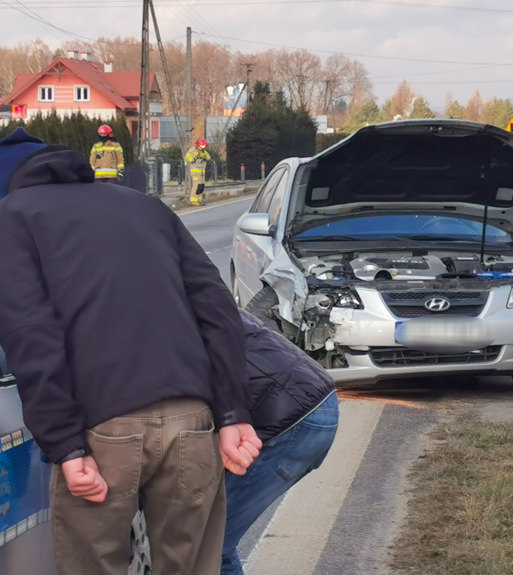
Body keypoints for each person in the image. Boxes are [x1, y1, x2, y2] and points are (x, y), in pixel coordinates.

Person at [0, 130, 262, 575]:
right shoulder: (146, 206)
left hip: (103, 433)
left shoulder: (12, 218)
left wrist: (64, 445)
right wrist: (234, 414)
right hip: (192, 423)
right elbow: (217, 309)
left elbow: (31, 334)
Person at [221, 310, 339, 575]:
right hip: (312, 402)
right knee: (211, 534)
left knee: (212, 540)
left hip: (291, 417)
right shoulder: (194, 289)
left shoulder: (166, 310)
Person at [186, 137, 212, 205]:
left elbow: (208, 157)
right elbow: (187, 158)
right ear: (198, 145)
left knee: (201, 186)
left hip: (202, 172)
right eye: (201, 146)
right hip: (195, 172)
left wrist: (204, 157)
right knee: (196, 185)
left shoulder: (203, 151)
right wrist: (194, 158)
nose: (202, 148)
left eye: (203, 146)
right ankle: (194, 200)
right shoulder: (192, 150)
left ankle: (199, 200)